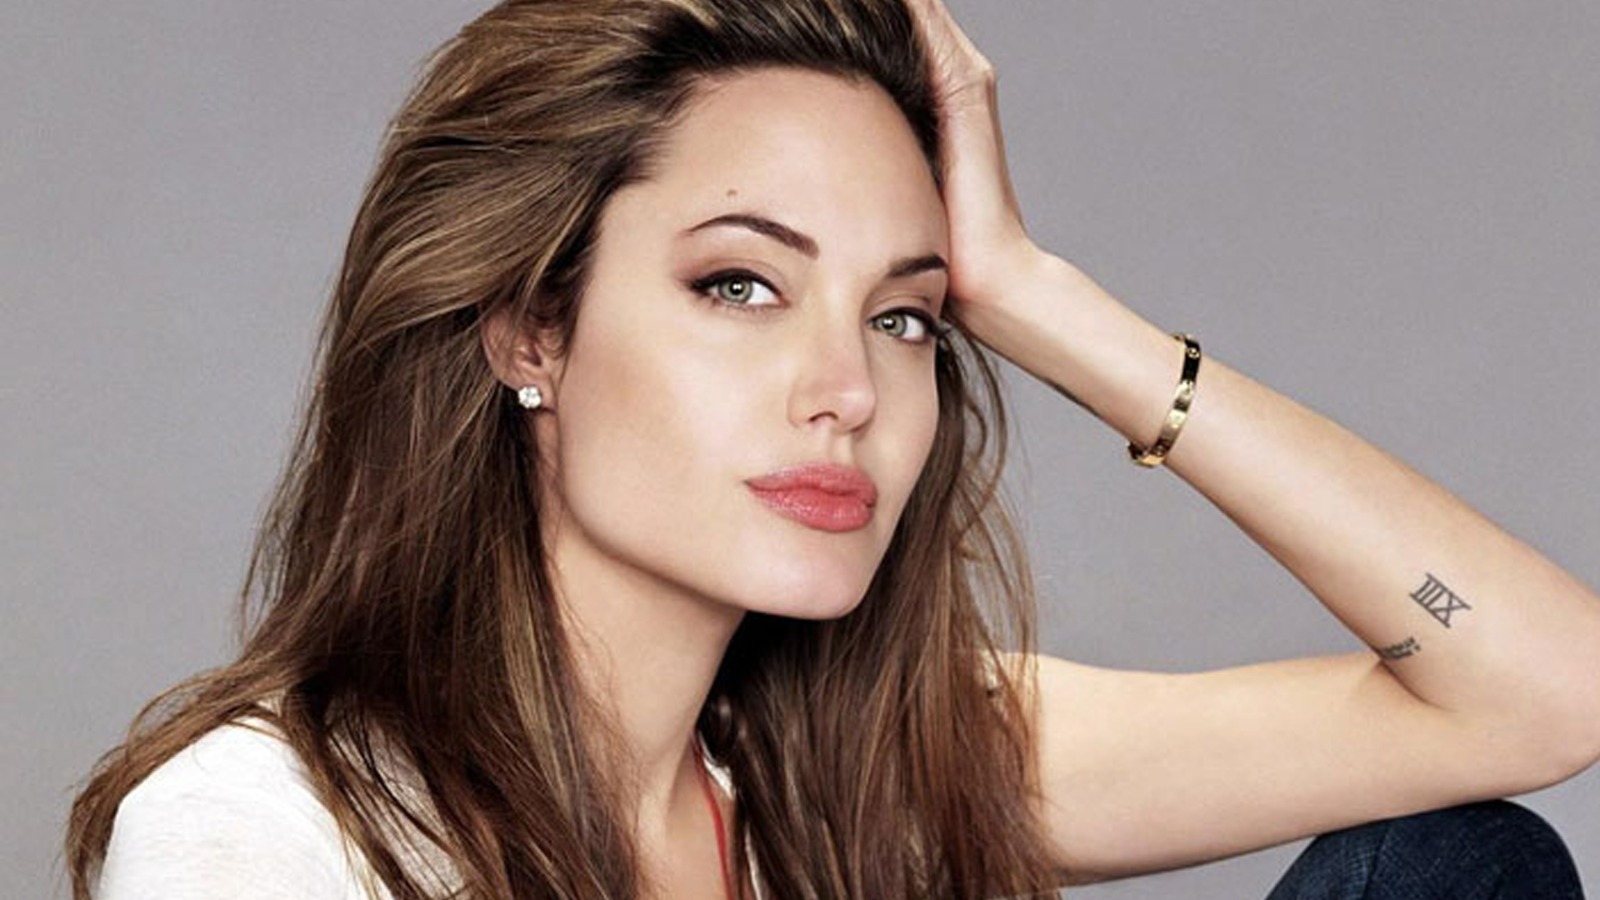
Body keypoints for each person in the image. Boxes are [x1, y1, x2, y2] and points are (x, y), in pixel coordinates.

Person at [65, 0, 1599, 897]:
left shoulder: (881, 770)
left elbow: (1539, 694)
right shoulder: (262, 829)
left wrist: (1044, 305)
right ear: (531, 329)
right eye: (740, 285)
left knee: (1455, 868)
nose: (846, 390)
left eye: (903, 317)